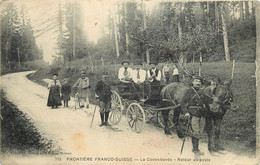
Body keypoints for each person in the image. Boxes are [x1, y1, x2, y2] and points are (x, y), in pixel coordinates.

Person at [183, 75, 207, 156]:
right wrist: (186, 112)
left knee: (199, 132)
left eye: (199, 82)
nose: (198, 83)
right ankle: (195, 149)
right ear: (193, 82)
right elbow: (182, 102)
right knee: (195, 132)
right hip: (193, 114)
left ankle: (196, 149)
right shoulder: (189, 91)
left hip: (202, 114)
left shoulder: (202, 92)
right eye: (196, 81)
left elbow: (206, 102)